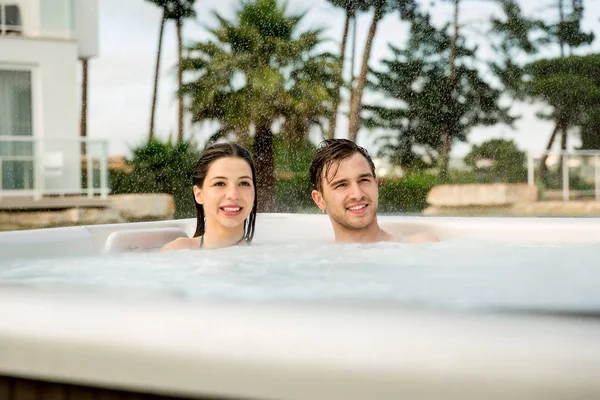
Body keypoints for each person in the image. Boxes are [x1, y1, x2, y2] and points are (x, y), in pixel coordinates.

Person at [309, 139, 438, 244]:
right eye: (342, 185)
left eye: (364, 180)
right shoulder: (309, 259)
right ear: (319, 200)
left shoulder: (419, 246)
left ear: (376, 185)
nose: (358, 194)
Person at [161, 143, 257, 251]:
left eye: (244, 183)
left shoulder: (267, 256)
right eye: (219, 183)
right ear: (198, 194)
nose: (233, 195)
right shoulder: (177, 251)